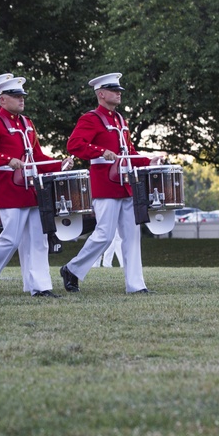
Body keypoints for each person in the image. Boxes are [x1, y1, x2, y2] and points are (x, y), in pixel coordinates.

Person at [0, 75, 70, 297]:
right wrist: (6, 160)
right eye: (16, 96)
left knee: (38, 237)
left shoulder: (27, 123)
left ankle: (40, 286)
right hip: (7, 188)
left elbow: (37, 156)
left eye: (22, 95)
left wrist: (57, 164)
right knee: (10, 238)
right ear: (2, 99)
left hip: (31, 188)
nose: (21, 99)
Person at [59, 73, 157, 294]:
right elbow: (74, 144)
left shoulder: (120, 119)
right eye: (114, 91)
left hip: (125, 183)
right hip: (105, 183)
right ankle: (72, 269)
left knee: (132, 236)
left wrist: (148, 160)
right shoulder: (90, 119)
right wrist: (100, 151)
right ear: (101, 94)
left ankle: (136, 285)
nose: (119, 93)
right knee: (104, 235)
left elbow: (128, 152)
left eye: (119, 90)